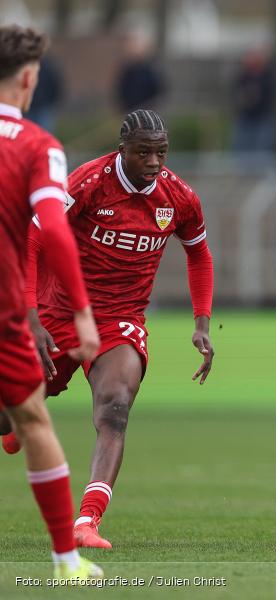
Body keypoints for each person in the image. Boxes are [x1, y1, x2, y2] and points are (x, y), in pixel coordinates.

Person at [1, 108, 216, 549]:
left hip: (122, 319)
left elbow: (200, 254)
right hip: (59, 313)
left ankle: (87, 523)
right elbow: (33, 238)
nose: (154, 163)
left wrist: (201, 322)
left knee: (115, 407)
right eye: (143, 153)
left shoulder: (179, 198)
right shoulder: (87, 182)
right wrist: (31, 315)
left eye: (161, 152)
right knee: (10, 409)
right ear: (122, 151)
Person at [0, 24, 103, 580]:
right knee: (33, 422)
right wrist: (82, 314)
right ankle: (66, 561)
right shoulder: (39, 146)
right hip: (4, 313)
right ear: (28, 78)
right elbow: (57, 233)